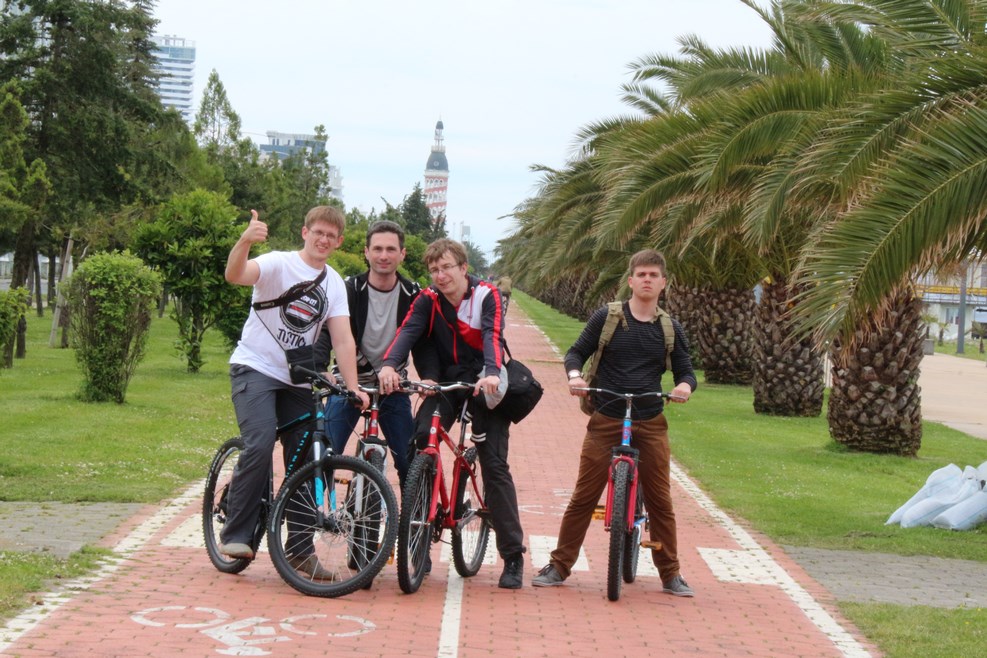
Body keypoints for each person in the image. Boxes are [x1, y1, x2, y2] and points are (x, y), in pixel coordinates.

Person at [531, 249, 698, 596]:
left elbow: (686, 371)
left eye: (654, 275)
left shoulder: (670, 327)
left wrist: (684, 386)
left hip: (650, 418)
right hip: (607, 415)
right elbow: (576, 352)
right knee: (584, 495)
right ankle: (559, 566)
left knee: (660, 500)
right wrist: (575, 376)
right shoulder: (607, 317)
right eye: (642, 274)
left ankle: (670, 573)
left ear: (663, 283)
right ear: (630, 281)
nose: (647, 280)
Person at [220, 206, 369, 579]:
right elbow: (235, 274)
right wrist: (244, 240)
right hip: (255, 367)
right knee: (260, 443)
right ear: (305, 232)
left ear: (339, 242)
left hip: (296, 378)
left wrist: (352, 387)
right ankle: (236, 534)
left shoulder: (333, 283)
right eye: (318, 232)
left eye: (331, 236)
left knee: (306, 455)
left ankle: (300, 551)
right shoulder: (278, 264)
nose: (323, 240)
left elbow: (342, 338)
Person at [377, 238, 527, 589]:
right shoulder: (428, 299)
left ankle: (513, 556)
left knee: (494, 464)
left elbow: (492, 335)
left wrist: (492, 373)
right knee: (421, 440)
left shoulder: (486, 294)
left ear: (463, 267)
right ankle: (422, 524)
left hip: (484, 379)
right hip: (445, 381)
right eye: (434, 270)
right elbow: (407, 332)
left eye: (446, 268)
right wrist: (388, 365)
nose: (440, 276)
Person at [314, 220, 425, 489]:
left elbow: (424, 340)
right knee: (322, 456)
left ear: (402, 254)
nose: (383, 255)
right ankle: (310, 510)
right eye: (377, 249)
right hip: (350, 384)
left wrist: (429, 377)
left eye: (391, 249)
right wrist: (320, 367)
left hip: (393, 387)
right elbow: (327, 330)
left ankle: (413, 514)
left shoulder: (413, 294)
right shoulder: (349, 289)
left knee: (409, 462)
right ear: (366, 252)